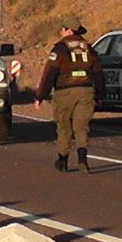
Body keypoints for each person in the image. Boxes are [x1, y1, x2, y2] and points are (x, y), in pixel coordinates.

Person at [35, 16, 104, 173]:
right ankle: (82, 161)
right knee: (81, 127)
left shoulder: (60, 49)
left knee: (64, 127)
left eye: (63, 29)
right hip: (86, 91)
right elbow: (98, 73)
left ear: (69, 30)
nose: (60, 32)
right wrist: (100, 94)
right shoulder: (89, 48)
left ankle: (63, 161)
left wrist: (40, 95)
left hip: (64, 92)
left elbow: (50, 73)